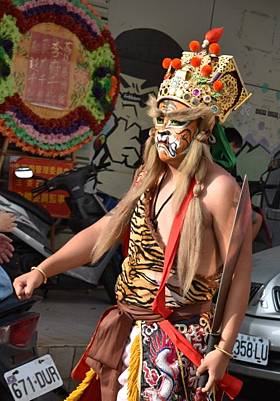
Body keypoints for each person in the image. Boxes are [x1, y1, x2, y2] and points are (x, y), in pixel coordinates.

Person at [12, 27, 252, 401]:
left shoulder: (220, 189)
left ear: (202, 128)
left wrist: (223, 349)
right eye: (160, 117)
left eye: (175, 121)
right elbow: (106, 227)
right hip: (126, 329)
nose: (162, 130)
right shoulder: (147, 176)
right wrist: (44, 270)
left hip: (178, 341)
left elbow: (239, 276)